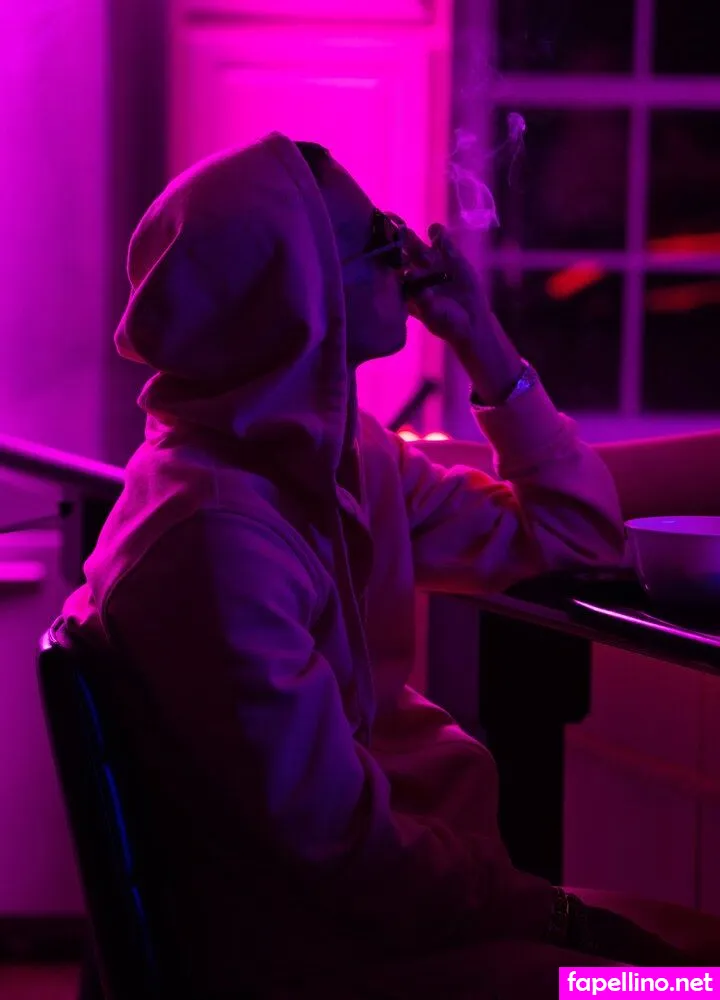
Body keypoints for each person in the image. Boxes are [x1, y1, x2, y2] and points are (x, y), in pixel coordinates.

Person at [64, 133, 720, 998]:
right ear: (299, 298)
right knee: (686, 988)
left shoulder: (338, 461)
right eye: (377, 237)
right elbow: (340, 853)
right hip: (329, 961)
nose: (409, 253)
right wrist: (554, 915)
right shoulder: (214, 544)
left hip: (407, 922)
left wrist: (484, 343)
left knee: (697, 966)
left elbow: (576, 535)